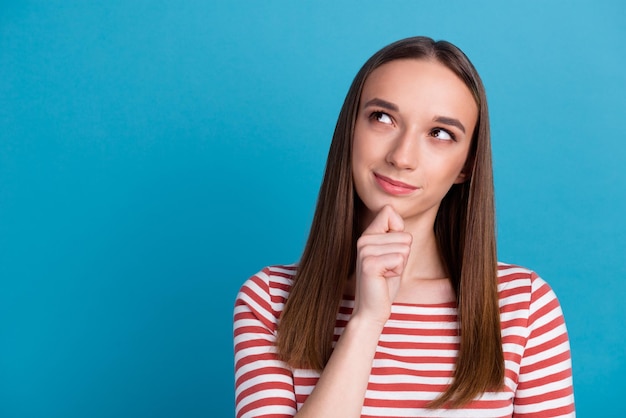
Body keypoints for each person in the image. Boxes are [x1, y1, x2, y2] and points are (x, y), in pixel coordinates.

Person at [233, 36, 575, 418]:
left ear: (466, 166)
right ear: (350, 130)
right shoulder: (270, 300)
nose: (402, 157)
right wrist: (366, 322)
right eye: (382, 117)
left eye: (440, 133)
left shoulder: (523, 307)